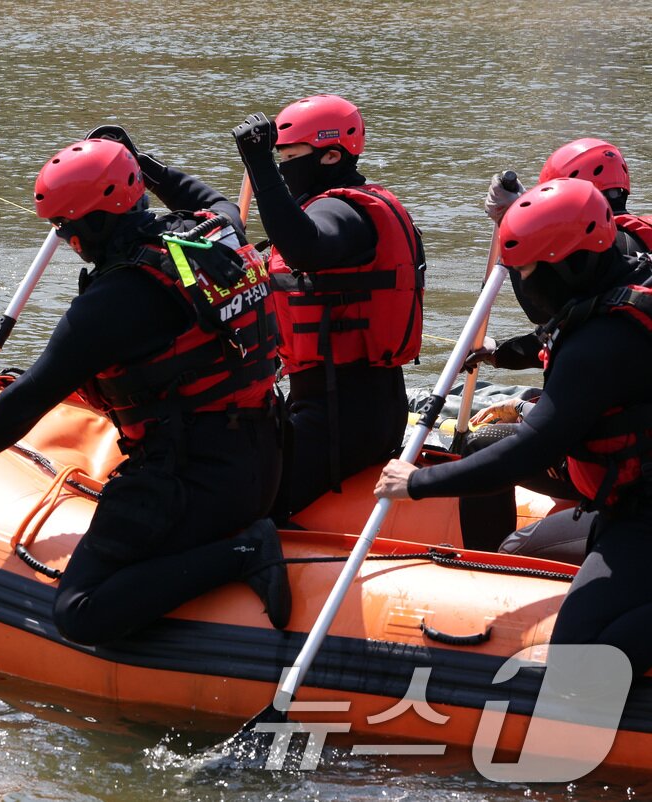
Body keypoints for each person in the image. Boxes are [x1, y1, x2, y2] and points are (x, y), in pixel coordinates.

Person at [0, 137, 291, 646]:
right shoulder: (215, 232)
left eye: (67, 228)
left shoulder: (119, 298)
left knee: (80, 611)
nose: (66, 240)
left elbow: (32, 397)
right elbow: (207, 196)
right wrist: (143, 161)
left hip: (193, 480)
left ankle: (244, 554)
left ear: (97, 224)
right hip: (268, 459)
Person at [376, 176, 652, 675]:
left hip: (643, 517)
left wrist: (416, 482)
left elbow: (526, 452)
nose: (523, 284)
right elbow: (556, 325)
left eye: (527, 272)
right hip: (622, 503)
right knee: (514, 542)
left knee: (579, 659)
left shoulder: (605, 344)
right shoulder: (619, 274)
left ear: (570, 265)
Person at [232, 95, 424, 523]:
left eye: (289, 158)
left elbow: (305, 247)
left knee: (237, 509)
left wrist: (261, 168)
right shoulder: (337, 203)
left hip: (340, 419)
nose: (282, 168)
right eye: (276, 158)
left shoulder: (343, 211)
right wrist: (156, 175)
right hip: (352, 407)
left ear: (331, 155)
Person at [460, 138, 652, 553]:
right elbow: (567, 330)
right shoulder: (635, 253)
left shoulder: (605, 256)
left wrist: (516, 223)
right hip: (621, 431)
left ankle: (484, 564)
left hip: (625, 471)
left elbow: (546, 314)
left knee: (480, 444)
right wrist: (502, 353)